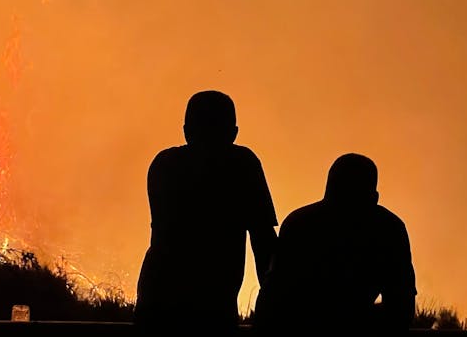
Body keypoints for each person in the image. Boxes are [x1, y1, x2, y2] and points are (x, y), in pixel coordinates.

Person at [135, 90, 278, 334]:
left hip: (158, 295)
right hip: (213, 300)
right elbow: (263, 239)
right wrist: (275, 303)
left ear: (186, 130)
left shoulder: (164, 163)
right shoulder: (242, 164)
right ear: (233, 133)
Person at [255, 153, 416, 335]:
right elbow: (402, 306)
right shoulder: (389, 229)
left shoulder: (300, 223)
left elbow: (269, 301)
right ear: (374, 197)